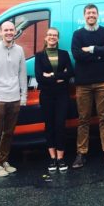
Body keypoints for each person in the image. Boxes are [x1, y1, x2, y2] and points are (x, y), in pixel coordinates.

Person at [71, 3, 104, 168]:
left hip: (103, 82)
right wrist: (99, 54)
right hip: (83, 84)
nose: (91, 15)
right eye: (88, 13)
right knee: (83, 119)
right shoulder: (77, 34)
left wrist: (91, 49)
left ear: (98, 15)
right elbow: (77, 55)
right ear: (84, 15)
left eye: (93, 12)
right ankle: (81, 153)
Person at [0, 21, 27, 177]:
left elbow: (22, 74)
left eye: (11, 30)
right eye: (6, 30)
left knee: (9, 132)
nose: (9, 32)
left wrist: (23, 96)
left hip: (14, 98)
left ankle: (4, 160)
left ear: (15, 31)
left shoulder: (20, 50)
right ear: (0, 33)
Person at [35, 27, 73, 172]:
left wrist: (51, 76)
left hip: (62, 95)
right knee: (49, 126)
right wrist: (58, 77)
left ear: (58, 38)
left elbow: (70, 72)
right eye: (50, 35)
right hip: (46, 96)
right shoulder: (39, 56)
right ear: (45, 38)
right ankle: (52, 159)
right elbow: (39, 77)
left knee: (60, 125)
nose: (52, 37)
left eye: (55, 35)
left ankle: (60, 158)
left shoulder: (63, 54)